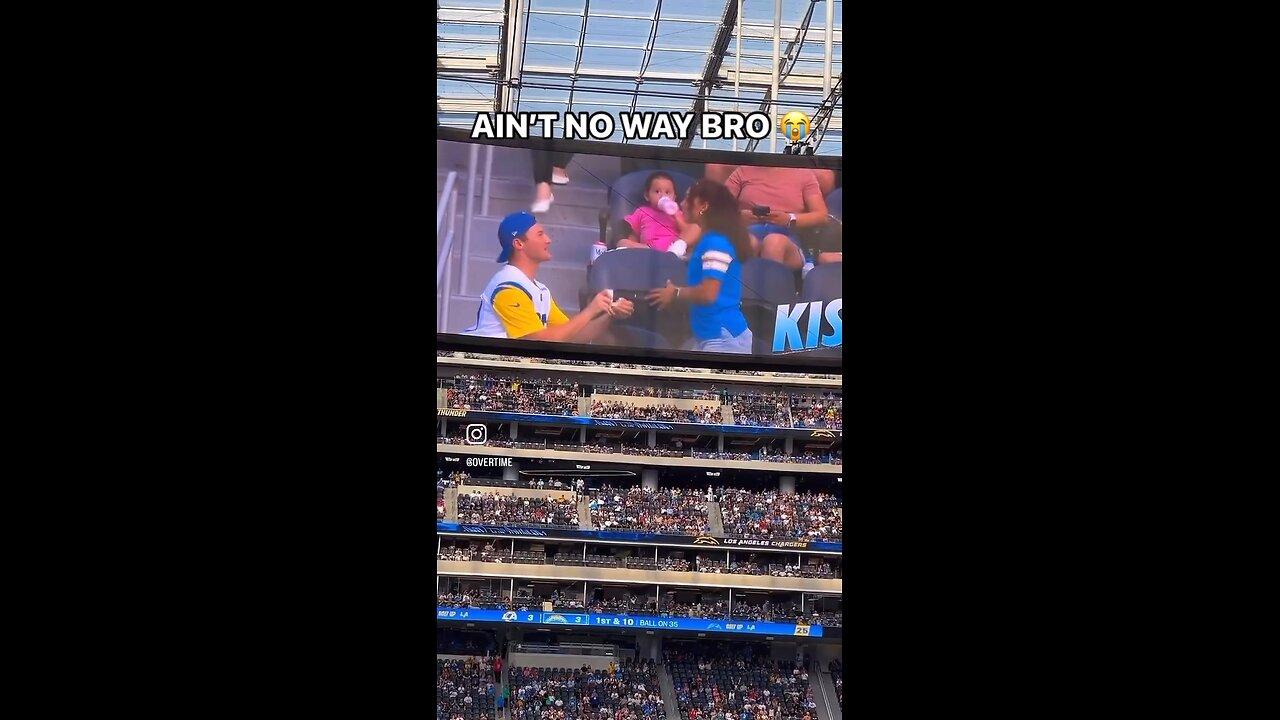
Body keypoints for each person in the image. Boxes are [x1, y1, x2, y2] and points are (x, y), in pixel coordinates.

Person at [466, 211, 634, 340]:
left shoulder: (539, 289)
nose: (548, 240)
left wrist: (609, 311)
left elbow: (573, 335)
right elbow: (541, 341)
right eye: (540, 234)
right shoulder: (508, 288)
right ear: (519, 243)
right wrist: (590, 311)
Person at [646, 179, 753, 353]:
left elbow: (709, 293)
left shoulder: (715, 242)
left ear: (703, 205)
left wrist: (675, 292)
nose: (681, 203)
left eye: (688, 199)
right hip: (711, 336)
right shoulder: (710, 240)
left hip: (723, 338)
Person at [723, 166, 831, 270]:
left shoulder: (804, 174)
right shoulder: (743, 171)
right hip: (748, 231)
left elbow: (822, 215)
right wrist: (737, 217)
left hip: (787, 238)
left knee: (773, 242)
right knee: (748, 243)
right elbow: (717, 208)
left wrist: (790, 219)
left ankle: (770, 286)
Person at [616, 171, 694, 254]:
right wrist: (630, 245)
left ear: (674, 197)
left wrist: (675, 215)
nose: (663, 196)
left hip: (671, 250)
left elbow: (688, 231)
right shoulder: (642, 211)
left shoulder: (678, 214)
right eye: (657, 191)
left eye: (667, 192)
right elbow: (635, 234)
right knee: (622, 242)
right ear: (647, 196)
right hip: (647, 250)